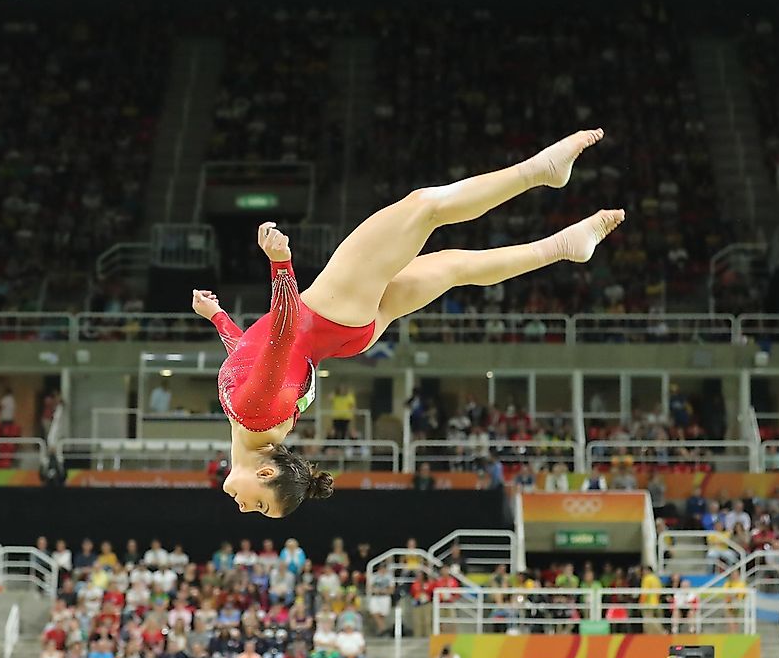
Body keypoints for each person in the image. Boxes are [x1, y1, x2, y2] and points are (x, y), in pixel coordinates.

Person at [192, 129, 621, 518]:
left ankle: (564, 244)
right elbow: (281, 336)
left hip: (346, 333)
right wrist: (281, 264)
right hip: (328, 311)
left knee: (455, 268)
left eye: (259, 510)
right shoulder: (253, 415)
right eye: (262, 507)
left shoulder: (254, 424)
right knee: (425, 207)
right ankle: (540, 171)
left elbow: (254, 354)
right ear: (267, 474)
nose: (247, 509)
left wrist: (220, 319)